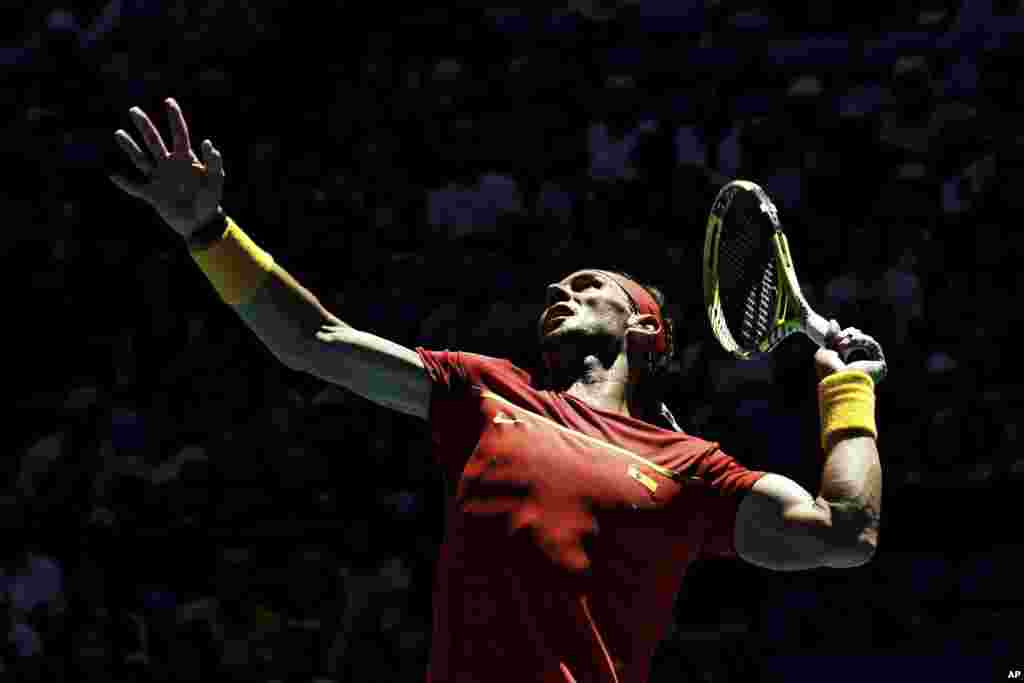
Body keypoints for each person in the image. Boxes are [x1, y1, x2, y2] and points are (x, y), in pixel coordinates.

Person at [110, 98, 883, 683]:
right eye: (559, 281)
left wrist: (846, 389)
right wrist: (207, 230)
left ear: (647, 330)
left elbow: (844, 529)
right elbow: (317, 341)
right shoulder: (486, 393)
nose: (560, 285)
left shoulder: (690, 468)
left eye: (587, 284)